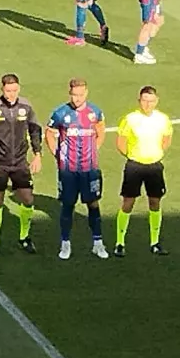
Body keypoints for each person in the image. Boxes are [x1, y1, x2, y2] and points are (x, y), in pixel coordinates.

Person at [45, 77, 108, 259]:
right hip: (68, 170)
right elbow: (48, 132)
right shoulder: (60, 113)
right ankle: (65, 244)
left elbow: (101, 129)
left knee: (93, 203)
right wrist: (57, 154)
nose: (77, 98)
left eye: (80, 95)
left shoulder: (95, 112)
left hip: (90, 168)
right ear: (70, 93)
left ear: (86, 93)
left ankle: (98, 243)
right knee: (68, 204)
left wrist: (95, 148)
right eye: (74, 95)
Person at [0, 73, 42, 256]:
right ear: (2, 89)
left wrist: (38, 154)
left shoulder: (26, 106)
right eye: (8, 91)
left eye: (14, 90)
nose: (11, 94)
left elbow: (35, 130)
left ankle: (24, 237)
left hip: (20, 162)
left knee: (28, 199)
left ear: (19, 89)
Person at [114, 85, 173, 257]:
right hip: (134, 166)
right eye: (144, 100)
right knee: (128, 203)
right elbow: (121, 142)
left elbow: (166, 139)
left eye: (151, 101)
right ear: (139, 101)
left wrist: (157, 153)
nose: (148, 104)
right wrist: (132, 156)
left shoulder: (163, 119)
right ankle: (120, 242)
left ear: (156, 101)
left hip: (154, 166)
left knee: (155, 202)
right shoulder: (130, 119)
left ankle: (155, 242)